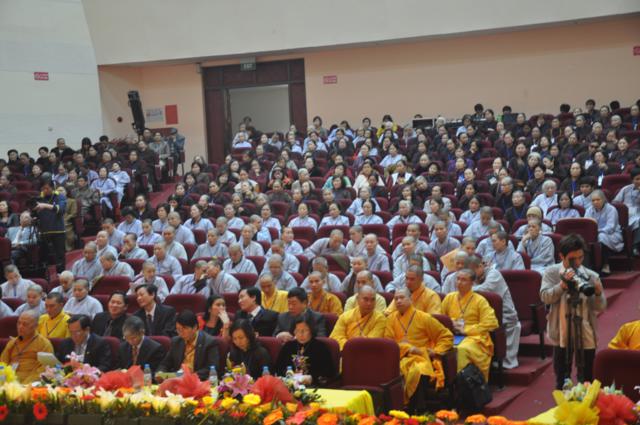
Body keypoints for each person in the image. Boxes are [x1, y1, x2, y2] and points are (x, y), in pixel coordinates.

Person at [541, 234, 606, 389]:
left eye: (580, 257)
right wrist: (561, 286)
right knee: (561, 379)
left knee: (587, 379)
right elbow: (545, 297)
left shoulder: (591, 276)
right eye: (572, 259)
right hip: (561, 331)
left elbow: (600, 307)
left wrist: (598, 294)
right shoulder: (551, 273)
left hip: (585, 330)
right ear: (561, 256)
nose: (577, 262)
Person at [383, 287, 454, 410]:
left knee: (419, 371)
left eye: (402, 298)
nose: (398, 301)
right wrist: (408, 348)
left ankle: (418, 410)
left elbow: (446, 336)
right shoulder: (390, 319)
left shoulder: (424, 317)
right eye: (396, 299)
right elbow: (389, 344)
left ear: (411, 299)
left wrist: (436, 351)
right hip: (400, 358)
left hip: (421, 357)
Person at [442, 269, 499, 382]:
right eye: (458, 279)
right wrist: (450, 323)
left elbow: (492, 323)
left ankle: (461, 384)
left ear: (472, 283)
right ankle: (442, 383)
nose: (459, 282)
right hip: (452, 335)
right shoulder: (449, 298)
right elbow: (440, 318)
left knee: (460, 349)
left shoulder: (480, 300)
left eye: (464, 280)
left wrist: (466, 330)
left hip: (474, 337)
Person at [467, 256, 521, 369]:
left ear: (480, 266)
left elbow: (485, 289)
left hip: (505, 315)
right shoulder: (475, 277)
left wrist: (466, 288)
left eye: (472, 271)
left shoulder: (494, 274)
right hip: (484, 316)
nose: (470, 275)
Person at [158, 310, 219, 380]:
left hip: (198, 381)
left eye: (184, 328)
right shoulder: (176, 341)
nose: (180, 332)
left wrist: (188, 376)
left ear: (195, 327)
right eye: (178, 329)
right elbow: (165, 364)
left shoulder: (209, 342)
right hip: (178, 380)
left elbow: (211, 368)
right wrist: (160, 372)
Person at [275, 317, 336, 386]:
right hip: (289, 385)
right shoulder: (288, 346)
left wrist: (312, 378)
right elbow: (278, 368)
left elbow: (328, 372)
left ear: (311, 331)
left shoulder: (320, 347)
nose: (301, 334)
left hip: (314, 386)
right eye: (297, 331)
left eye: (305, 330)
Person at [0, 311, 54, 383]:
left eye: (25, 324)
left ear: (35, 326)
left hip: (29, 383)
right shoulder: (12, 343)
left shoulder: (44, 344)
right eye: (19, 323)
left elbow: (44, 368)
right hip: (8, 382)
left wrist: (25, 385)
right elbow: (2, 363)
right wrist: (2, 382)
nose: (20, 327)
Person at [330, 285, 387, 349]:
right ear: (357, 299)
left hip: (367, 352)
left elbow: (372, 341)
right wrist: (349, 347)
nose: (369, 303)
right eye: (366, 299)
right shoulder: (345, 316)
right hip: (345, 350)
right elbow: (336, 336)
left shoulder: (380, 318)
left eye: (373, 300)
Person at [585, 189, 624, 274]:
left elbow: (611, 227)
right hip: (594, 235)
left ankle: (606, 265)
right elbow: (586, 225)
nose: (595, 202)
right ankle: (589, 266)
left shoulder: (611, 209)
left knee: (601, 237)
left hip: (612, 234)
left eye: (598, 200)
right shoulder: (589, 210)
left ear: (603, 199)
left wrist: (596, 232)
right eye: (593, 200)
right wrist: (593, 233)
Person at [33, 179, 66, 272]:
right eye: (43, 188)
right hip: (44, 230)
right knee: (43, 256)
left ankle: (60, 274)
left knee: (59, 255)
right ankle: (44, 275)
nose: (45, 190)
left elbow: (61, 209)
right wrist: (34, 216)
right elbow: (35, 213)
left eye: (47, 188)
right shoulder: (39, 198)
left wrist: (45, 205)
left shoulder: (60, 196)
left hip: (58, 230)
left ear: (52, 188)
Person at [613, 168, 640, 256]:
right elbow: (615, 202)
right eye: (637, 179)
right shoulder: (626, 189)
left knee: (638, 221)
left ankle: (635, 246)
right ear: (632, 180)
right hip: (625, 214)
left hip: (638, 214)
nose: (639, 181)